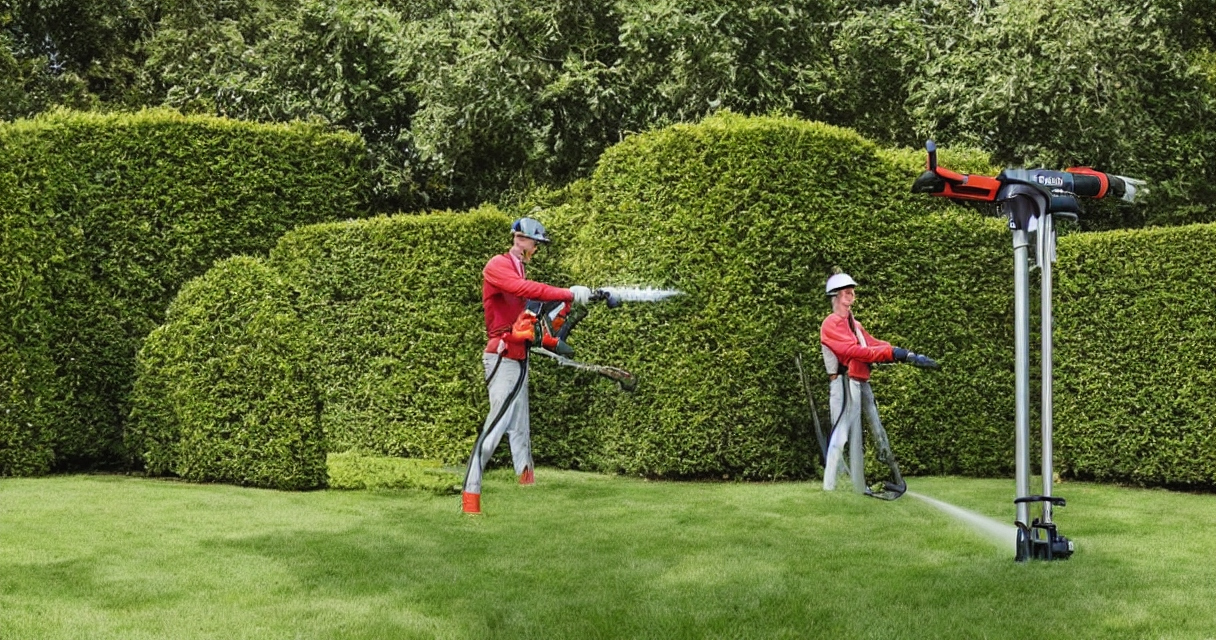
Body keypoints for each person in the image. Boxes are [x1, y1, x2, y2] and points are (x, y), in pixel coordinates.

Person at [461, 217, 592, 515]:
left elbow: (537, 304)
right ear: (521, 239)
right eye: (536, 243)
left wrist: (577, 299)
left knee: (520, 424)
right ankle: (471, 497)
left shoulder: (520, 267)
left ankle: (526, 479)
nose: (536, 248)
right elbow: (527, 289)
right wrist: (568, 293)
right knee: (495, 427)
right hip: (502, 356)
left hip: (519, 355)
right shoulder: (498, 265)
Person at [819, 272, 937, 493]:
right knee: (842, 432)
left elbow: (873, 344)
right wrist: (893, 353)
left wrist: (907, 355)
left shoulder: (855, 324)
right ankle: (830, 486)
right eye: (846, 291)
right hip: (844, 384)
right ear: (835, 295)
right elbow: (854, 352)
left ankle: (886, 479)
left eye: (852, 290)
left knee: (877, 428)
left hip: (861, 380)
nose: (851, 294)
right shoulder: (831, 324)